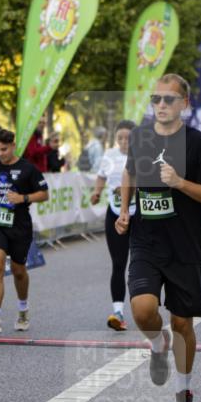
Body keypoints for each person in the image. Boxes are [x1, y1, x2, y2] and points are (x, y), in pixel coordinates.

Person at [116, 73, 201, 402]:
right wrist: (124, 210)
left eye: (168, 99)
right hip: (146, 241)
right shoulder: (141, 137)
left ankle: (183, 390)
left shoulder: (198, 143)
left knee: (181, 322)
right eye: (156, 99)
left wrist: (179, 183)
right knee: (143, 309)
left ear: (184, 104)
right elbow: (130, 173)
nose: (160, 105)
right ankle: (156, 343)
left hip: (184, 245)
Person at [0, 128, 49, 333]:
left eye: (4, 149)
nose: (0, 153)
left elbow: (44, 194)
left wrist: (23, 198)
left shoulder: (27, 168)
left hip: (20, 225)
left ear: (13, 146)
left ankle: (23, 309)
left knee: (19, 271)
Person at [90, 120, 136, 331]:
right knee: (118, 263)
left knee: (141, 263)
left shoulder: (143, 156)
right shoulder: (109, 155)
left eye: (128, 138)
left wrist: (129, 190)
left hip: (138, 214)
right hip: (115, 214)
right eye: (120, 138)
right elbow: (101, 176)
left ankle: (146, 308)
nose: (124, 142)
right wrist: (97, 192)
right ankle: (118, 312)